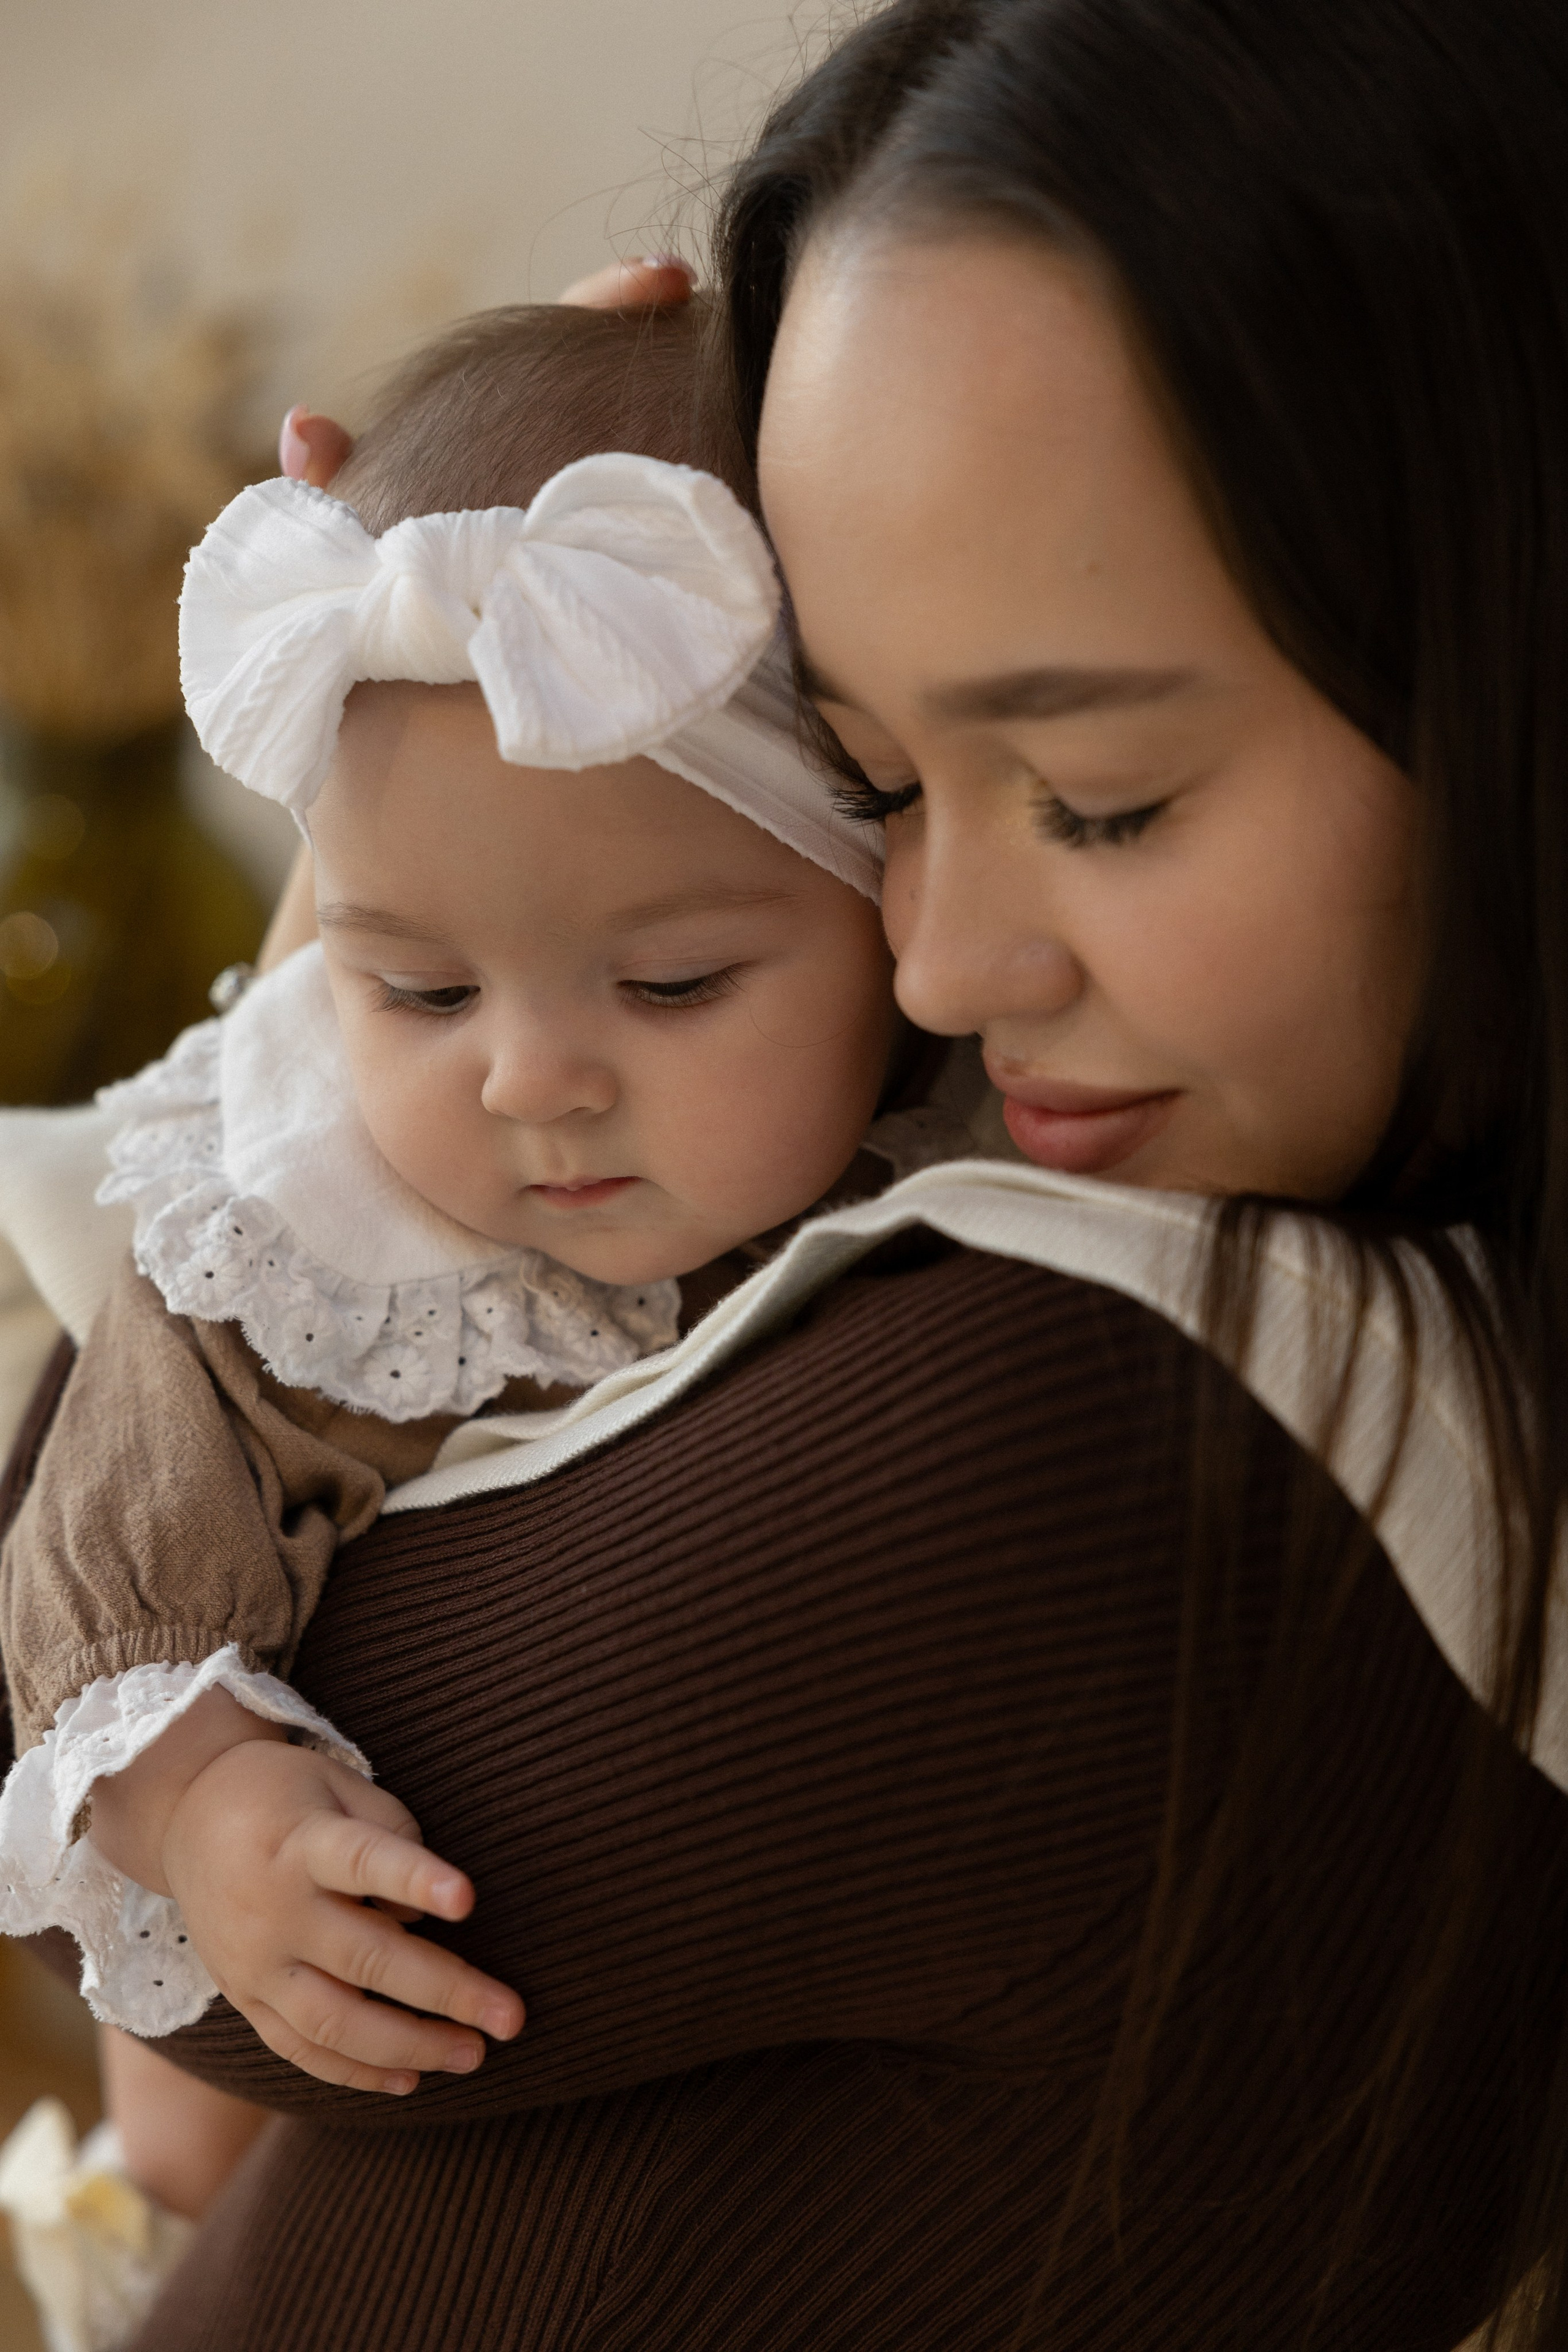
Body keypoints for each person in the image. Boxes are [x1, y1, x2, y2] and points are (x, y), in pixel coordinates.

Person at [5, 0, 1568, 2344]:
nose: (933, 966)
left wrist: (402, 871)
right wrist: (498, 747)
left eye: (1107, 802)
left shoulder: (1101, 1440)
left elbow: (173, 1894)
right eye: (861, 782)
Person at [0, 298, 951, 2330]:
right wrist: (217, 1805)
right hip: (289, 1922)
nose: (531, 1082)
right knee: (186, 2137)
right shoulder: (303, 1227)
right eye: (416, 990)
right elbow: (95, 1582)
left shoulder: (970, 1124)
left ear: (889, 890)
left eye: (673, 984)